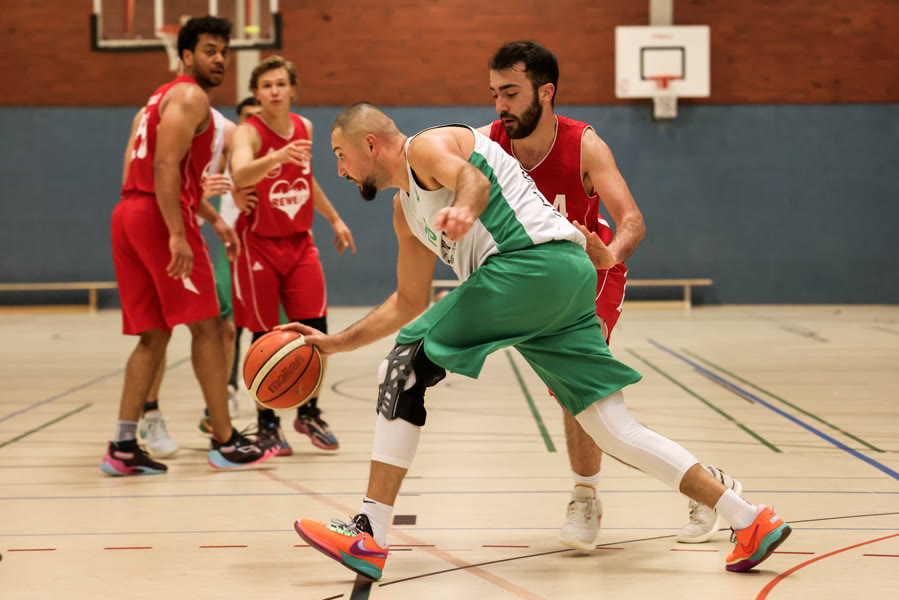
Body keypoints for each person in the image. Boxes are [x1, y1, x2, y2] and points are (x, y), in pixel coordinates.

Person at [289, 103, 791, 579]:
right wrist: (334, 343)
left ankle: (369, 532)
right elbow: (408, 300)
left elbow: (473, 181)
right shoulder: (406, 211)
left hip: (526, 265)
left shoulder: (424, 147)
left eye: (340, 155)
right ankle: (749, 519)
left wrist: (465, 209)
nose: (340, 170)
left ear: (370, 144)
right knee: (612, 427)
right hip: (566, 276)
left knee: (403, 368)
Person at [480, 40, 743, 548]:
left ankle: (588, 496)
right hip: (534, 282)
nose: (500, 105)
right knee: (586, 405)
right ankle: (710, 484)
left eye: (510, 92)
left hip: (591, 273)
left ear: (546, 92)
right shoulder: (489, 143)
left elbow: (633, 221)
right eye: (494, 93)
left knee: (583, 397)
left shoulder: (584, 145)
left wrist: (610, 255)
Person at [103, 16, 278, 475]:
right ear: (185, 55)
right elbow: (164, 167)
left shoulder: (158, 99)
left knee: (154, 335)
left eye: (223, 51)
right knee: (208, 328)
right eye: (208, 50)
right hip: (158, 217)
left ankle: (123, 445)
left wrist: (214, 219)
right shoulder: (190, 96)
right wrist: (177, 233)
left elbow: (163, 173)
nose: (219, 59)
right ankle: (225, 440)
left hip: (129, 213)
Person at [229, 55, 356, 454]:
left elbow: (305, 178)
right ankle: (267, 423)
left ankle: (309, 412)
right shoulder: (248, 132)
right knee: (265, 336)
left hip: (300, 243)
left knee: (316, 328)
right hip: (259, 244)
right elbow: (240, 174)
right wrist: (276, 157)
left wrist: (334, 218)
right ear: (256, 92)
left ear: (292, 89)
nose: (274, 91)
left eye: (280, 84)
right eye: (266, 85)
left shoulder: (305, 127)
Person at [196, 96, 264, 437]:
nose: (252, 123)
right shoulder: (226, 158)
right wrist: (204, 194)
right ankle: (224, 393)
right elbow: (193, 197)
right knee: (226, 325)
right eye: (246, 117)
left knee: (267, 327)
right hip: (231, 248)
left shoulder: (273, 158)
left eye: (257, 117)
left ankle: (271, 402)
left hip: (266, 249)